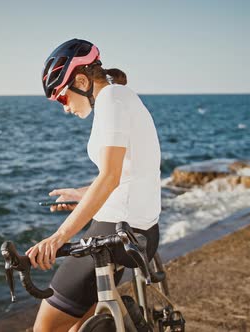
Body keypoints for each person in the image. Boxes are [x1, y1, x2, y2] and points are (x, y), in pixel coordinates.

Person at [26, 38, 162, 332]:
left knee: (45, 328)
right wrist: (82, 194)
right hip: (140, 231)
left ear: (82, 80)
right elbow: (128, 173)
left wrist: (58, 237)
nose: (64, 108)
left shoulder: (110, 101)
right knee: (77, 325)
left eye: (62, 97)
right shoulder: (120, 97)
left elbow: (110, 177)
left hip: (118, 232)